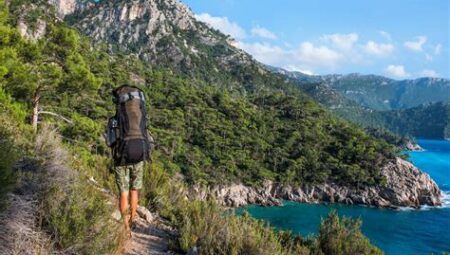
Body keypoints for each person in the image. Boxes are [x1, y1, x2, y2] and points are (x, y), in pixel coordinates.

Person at [106, 85, 153, 235]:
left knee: (124, 192)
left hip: (121, 157)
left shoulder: (114, 121)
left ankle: (125, 226)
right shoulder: (141, 118)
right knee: (135, 189)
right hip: (139, 155)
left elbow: (110, 141)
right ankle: (133, 219)